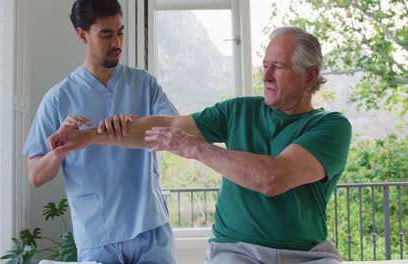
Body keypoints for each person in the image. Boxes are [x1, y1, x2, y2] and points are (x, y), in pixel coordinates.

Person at [51, 26, 352, 263]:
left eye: (279, 67)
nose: (267, 76)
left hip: (306, 255)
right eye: (265, 65)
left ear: (310, 76)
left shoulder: (329, 127)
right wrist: (90, 136)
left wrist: (196, 149)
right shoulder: (238, 110)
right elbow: (167, 127)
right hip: (236, 252)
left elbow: (272, 178)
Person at [22, 0, 178, 263]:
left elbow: (177, 133)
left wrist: (138, 124)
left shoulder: (143, 84)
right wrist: (58, 152)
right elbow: (35, 175)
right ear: (82, 34)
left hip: (150, 231)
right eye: (106, 34)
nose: (117, 42)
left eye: (120, 32)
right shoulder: (58, 98)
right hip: (98, 239)